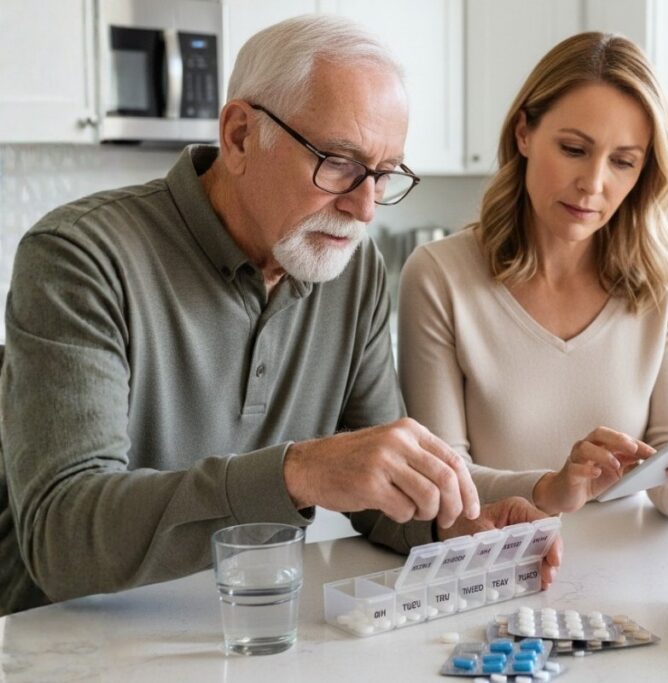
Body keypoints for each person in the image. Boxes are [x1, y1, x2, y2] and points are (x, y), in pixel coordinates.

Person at [0, 16, 558, 617]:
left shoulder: (354, 269)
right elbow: (62, 541)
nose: (364, 207)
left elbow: (372, 484)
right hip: (62, 643)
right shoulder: (79, 257)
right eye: (339, 162)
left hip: (246, 625)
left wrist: (457, 527)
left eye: (385, 173)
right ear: (240, 136)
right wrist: (296, 472)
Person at [399, 32, 668, 519]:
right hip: (493, 569)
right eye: (574, 149)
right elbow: (442, 480)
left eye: (622, 162)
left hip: (628, 569)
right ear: (524, 134)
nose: (593, 184)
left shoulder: (665, 281)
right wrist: (551, 487)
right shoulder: (438, 276)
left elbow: (666, 460)